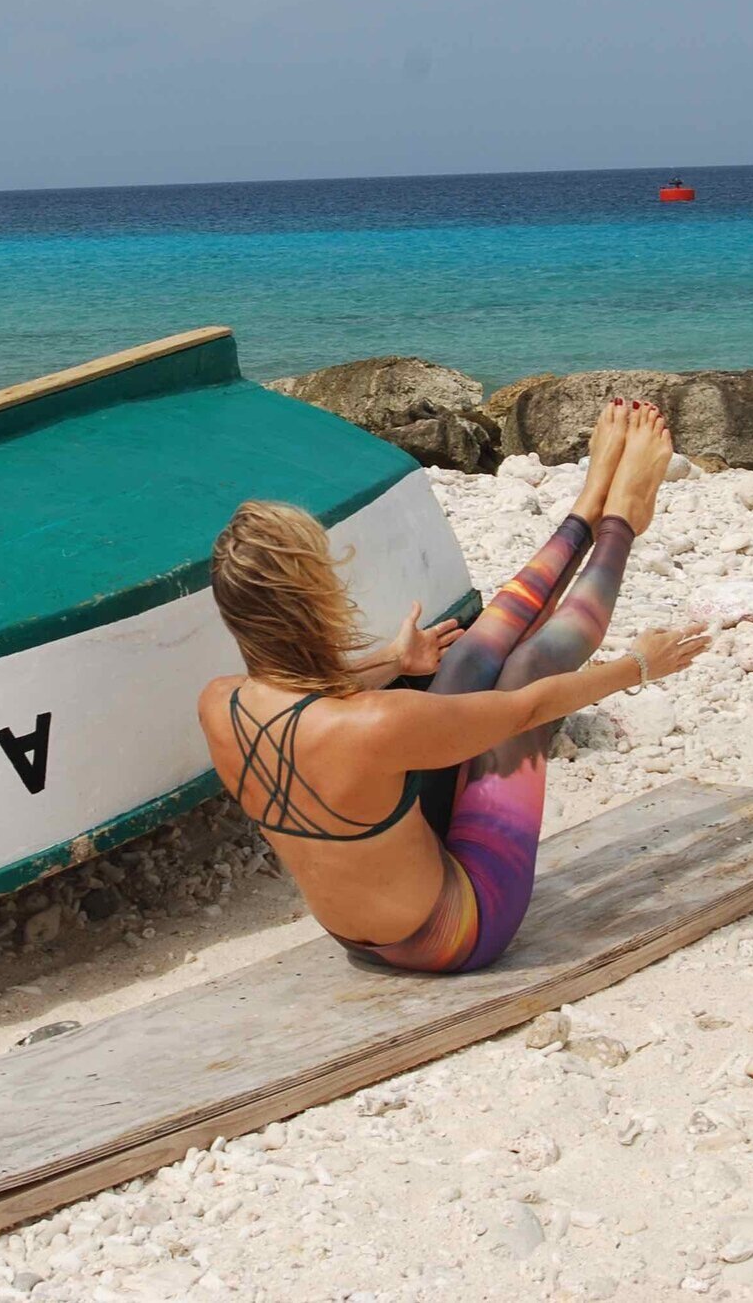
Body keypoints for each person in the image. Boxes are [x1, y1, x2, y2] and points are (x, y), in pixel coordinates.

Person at [198, 400, 709, 972]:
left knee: (465, 659)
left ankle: (587, 509)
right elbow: (525, 711)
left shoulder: (219, 701)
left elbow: (299, 698)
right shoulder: (376, 721)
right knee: (527, 670)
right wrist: (639, 665)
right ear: (315, 606)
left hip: (361, 935)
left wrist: (393, 657)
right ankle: (623, 522)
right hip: (457, 933)